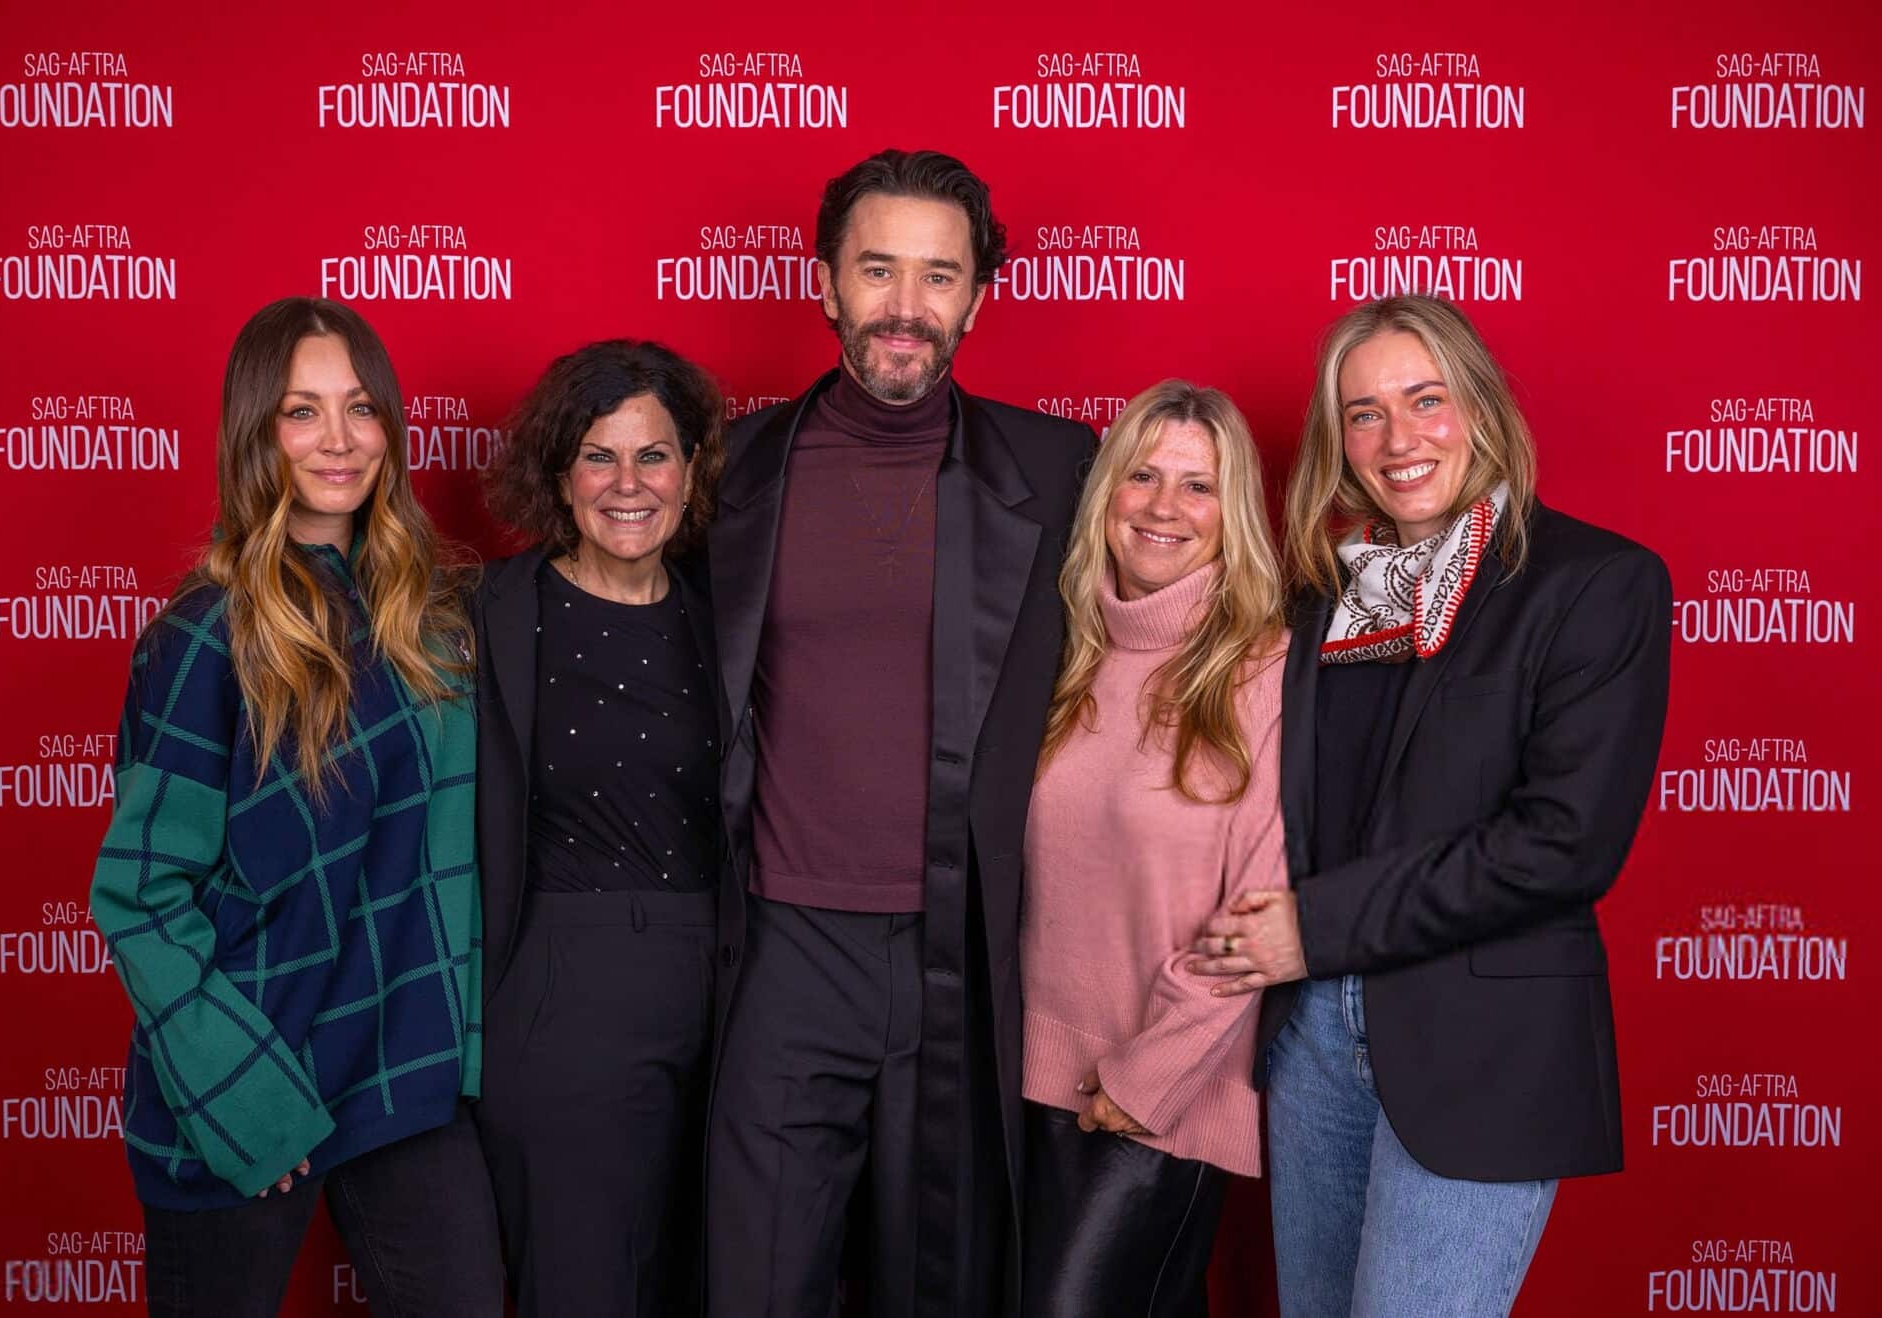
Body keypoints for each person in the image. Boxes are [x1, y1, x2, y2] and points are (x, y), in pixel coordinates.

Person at [1187, 294, 1672, 1316]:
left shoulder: (1592, 583)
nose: (1397, 439)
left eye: (1425, 399)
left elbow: (1562, 845)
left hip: (1476, 1042)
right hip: (1311, 1037)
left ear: (1481, 407)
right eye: (1363, 414)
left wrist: (1315, 927)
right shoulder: (1320, 599)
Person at [702, 148, 1093, 1317]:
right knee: (755, 1285)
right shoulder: (727, 467)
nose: (906, 307)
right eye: (877, 270)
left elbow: (1170, 662)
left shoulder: (1059, 470)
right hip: (781, 947)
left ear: (977, 298)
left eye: (939, 275)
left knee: (942, 1287)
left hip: (965, 954)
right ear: (825, 283)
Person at [90, 297, 502, 1317]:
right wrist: (242, 1096)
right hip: (248, 1066)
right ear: (255, 432)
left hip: (400, 1063)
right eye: (301, 411)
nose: (338, 439)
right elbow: (140, 896)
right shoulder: (205, 637)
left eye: (360, 408)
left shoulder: (433, 621)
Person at [1020, 381, 1288, 1317]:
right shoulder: (1062, 656)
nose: (1164, 506)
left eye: (1198, 486)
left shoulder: (1264, 674)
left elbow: (1260, 916)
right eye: (1142, 476)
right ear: (1107, 495)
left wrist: (1148, 1080)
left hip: (1162, 1096)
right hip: (1026, 1084)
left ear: (1232, 514)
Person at [471, 339, 726, 1317]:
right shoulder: (491, 616)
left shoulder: (727, 612)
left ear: (690, 470)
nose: (628, 484)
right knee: (583, 1284)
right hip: (561, 993)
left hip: (729, 998)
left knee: (711, 1280)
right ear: (558, 474)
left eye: (653, 455)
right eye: (598, 456)